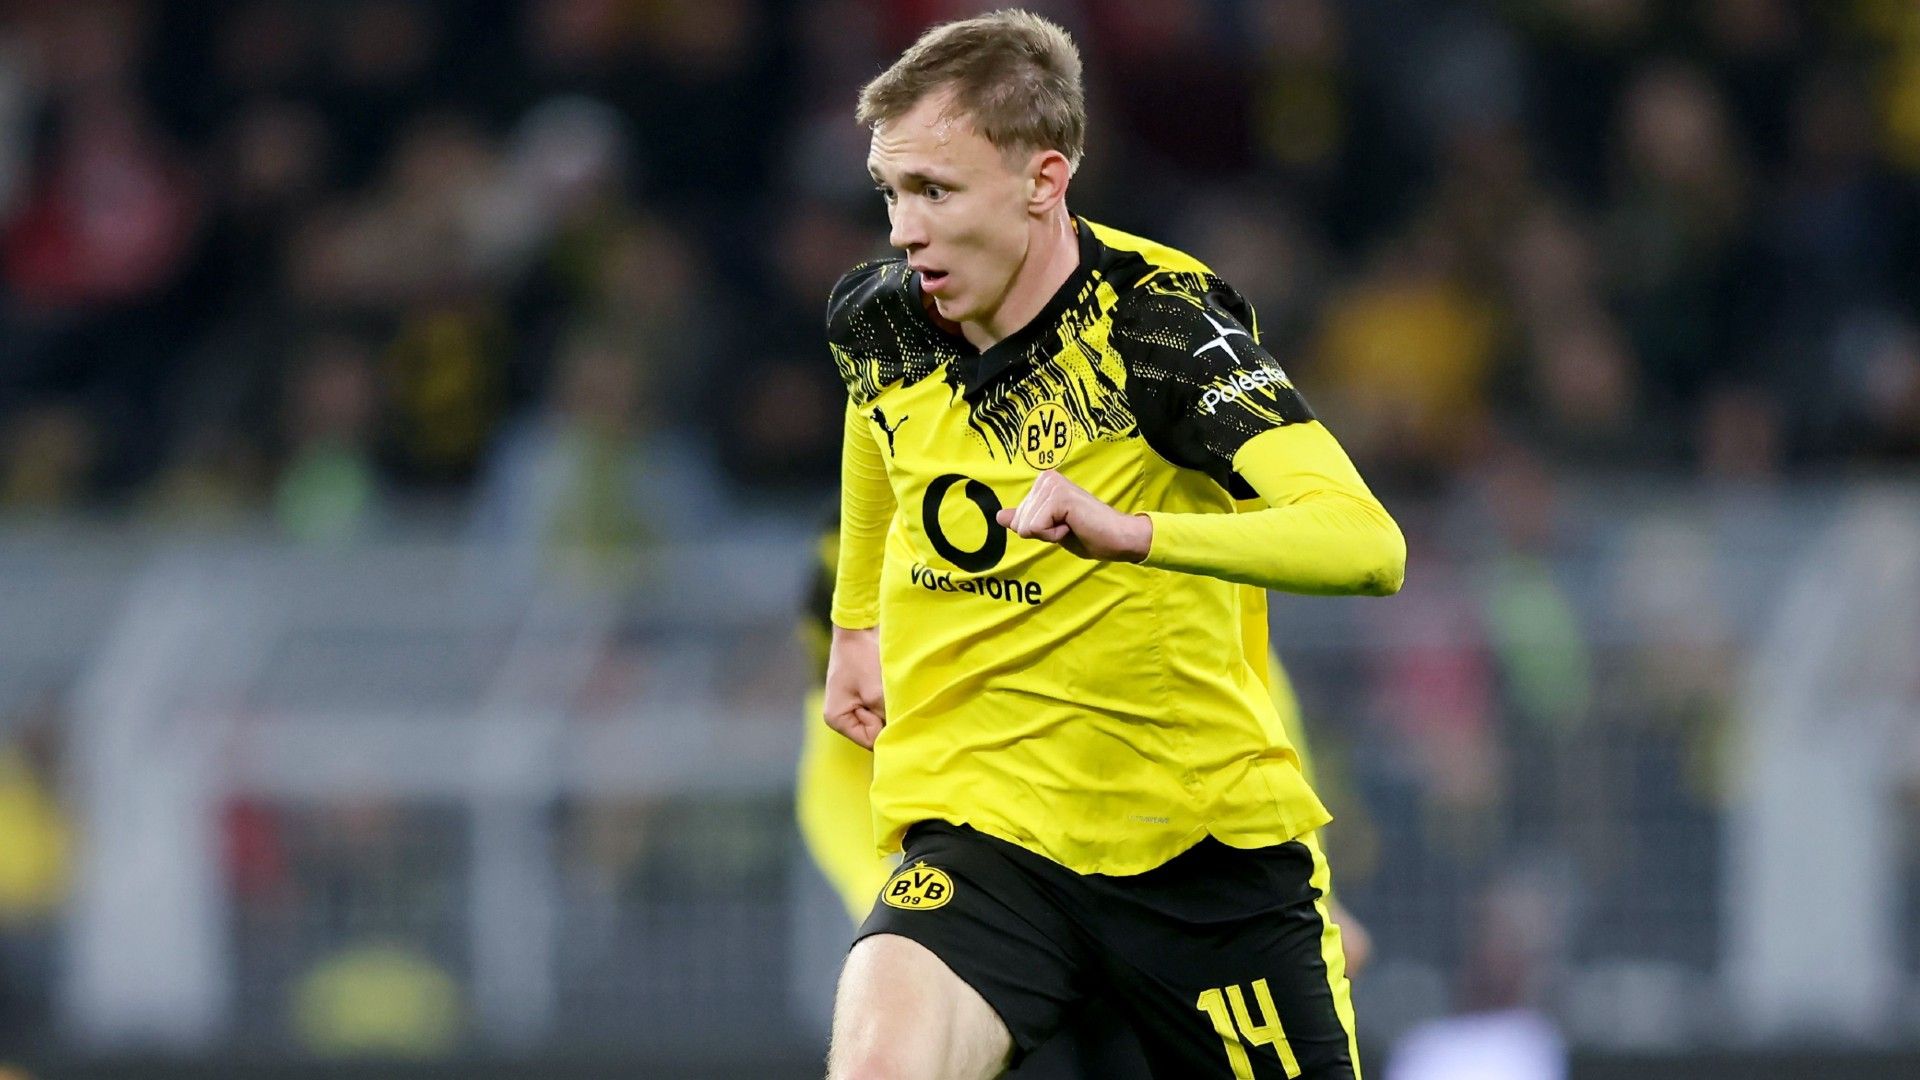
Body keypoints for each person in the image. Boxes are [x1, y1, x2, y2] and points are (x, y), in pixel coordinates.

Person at [821, 11, 1404, 1079]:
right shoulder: (885, 320)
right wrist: (854, 622)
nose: (904, 230)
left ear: (1044, 181)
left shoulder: (1161, 327)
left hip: (1196, 852)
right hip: (988, 833)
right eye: (891, 192)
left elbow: (1367, 545)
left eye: (936, 193)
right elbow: (876, 422)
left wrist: (1129, 533)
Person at [797, 513, 1374, 1079]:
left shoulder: (1094, 611)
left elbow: (1252, 710)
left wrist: (1317, 888)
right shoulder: (848, 724)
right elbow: (865, 863)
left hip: (1170, 880)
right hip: (1019, 909)